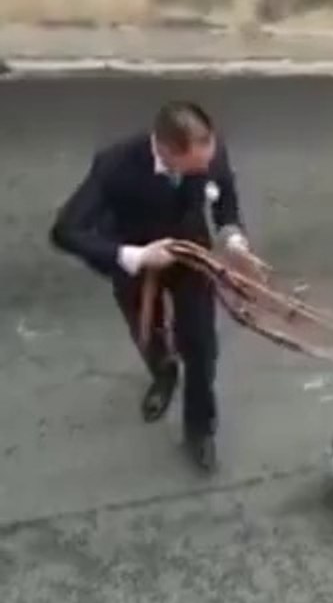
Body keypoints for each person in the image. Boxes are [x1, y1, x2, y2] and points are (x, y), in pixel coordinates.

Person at [50, 100, 257, 473]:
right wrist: (135, 256)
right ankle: (163, 374)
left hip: (190, 255)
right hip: (136, 256)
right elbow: (66, 231)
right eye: (196, 165)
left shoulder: (211, 151)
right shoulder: (115, 165)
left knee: (201, 347)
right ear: (166, 151)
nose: (206, 168)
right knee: (148, 334)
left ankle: (199, 428)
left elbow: (226, 203)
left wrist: (234, 240)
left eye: (208, 159)